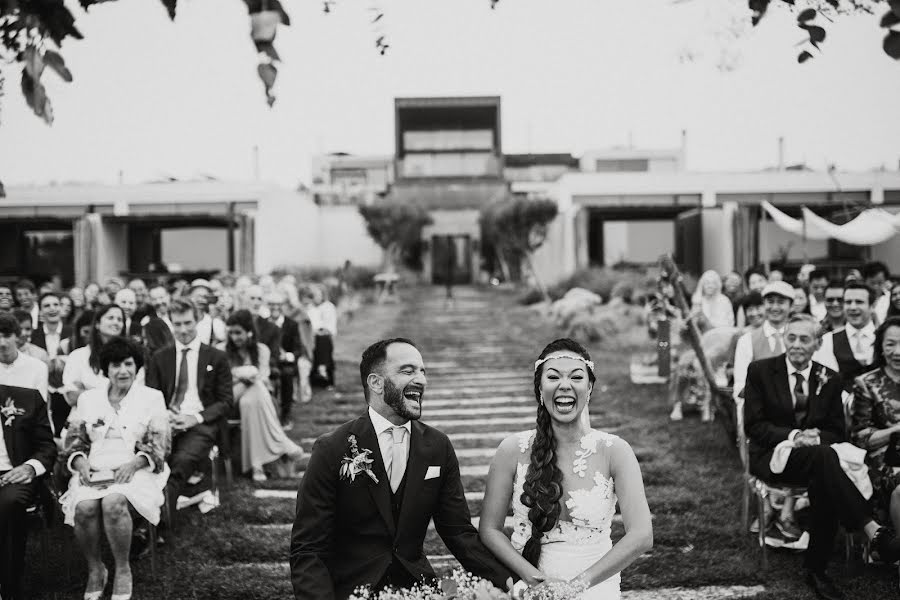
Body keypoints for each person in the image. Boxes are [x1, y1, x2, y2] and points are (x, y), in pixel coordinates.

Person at [290, 338, 514, 599]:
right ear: (376, 382)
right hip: (350, 590)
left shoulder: (438, 447)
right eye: (408, 371)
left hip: (419, 589)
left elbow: (459, 533)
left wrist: (513, 583)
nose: (421, 380)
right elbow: (308, 548)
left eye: (423, 371)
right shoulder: (331, 448)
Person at [480, 339, 652, 599]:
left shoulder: (615, 451)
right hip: (526, 583)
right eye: (553, 377)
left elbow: (641, 535)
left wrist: (574, 587)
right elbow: (489, 530)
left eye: (576, 377)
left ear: (590, 387)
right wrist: (534, 580)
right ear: (540, 387)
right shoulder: (511, 450)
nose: (564, 385)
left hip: (594, 586)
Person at [744, 313, 897, 600]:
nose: (797, 345)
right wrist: (794, 437)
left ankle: (816, 570)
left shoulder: (830, 378)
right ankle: (870, 531)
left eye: (805, 339)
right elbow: (753, 425)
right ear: (784, 339)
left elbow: (836, 432)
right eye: (791, 337)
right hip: (772, 458)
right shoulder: (760, 372)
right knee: (825, 462)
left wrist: (816, 438)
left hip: (815, 461)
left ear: (817, 344)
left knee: (823, 470)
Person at [60, 337, 171, 600]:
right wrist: (80, 462)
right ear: (105, 369)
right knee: (85, 508)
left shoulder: (152, 397)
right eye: (115, 365)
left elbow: (160, 444)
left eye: (129, 364)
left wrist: (134, 464)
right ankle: (96, 569)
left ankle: (122, 569)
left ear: (138, 366)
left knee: (113, 502)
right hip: (95, 468)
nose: (123, 371)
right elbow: (74, 439)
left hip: (139, 466)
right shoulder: (89, 399)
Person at [144, 299, 233, 502]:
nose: (183, 330)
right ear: (171, 324)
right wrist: (166, 415)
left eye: (187, 323)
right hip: (166, 420)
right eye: (177, 324)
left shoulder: (216, 357)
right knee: (147, 457)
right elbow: (150, 396)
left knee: (181, 460)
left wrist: (196, 418)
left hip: (201, 423)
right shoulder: (159, 357)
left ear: (197, 322)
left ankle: (162, 509)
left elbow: (226, 401)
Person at [222, 310, 303, 482]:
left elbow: (264, 380)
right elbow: (224, 385)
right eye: (230, 333)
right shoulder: (222, 351)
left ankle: (257, 465)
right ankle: (282, 442)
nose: (234, 337)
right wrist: (241, 376)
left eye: (238, 332)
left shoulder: (261, 350)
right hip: (231, 399)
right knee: (254, 386)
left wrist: (243, 376)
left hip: (257, 398)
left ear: (249, 331)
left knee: (251, 399)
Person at [0, 382, 56, 600]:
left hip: (14, 474)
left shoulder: (26, 398)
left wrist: (30, 467)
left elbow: (47, 447)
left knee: (7, 504)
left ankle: (7, 588)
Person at [851, 316, 900, 555]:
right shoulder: (866, 383)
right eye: (890, 344)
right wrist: (895, 431)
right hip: (886, 459)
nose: (898, 351)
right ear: (880, 346)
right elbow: (861, 437)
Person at [733, 281, 794, 400]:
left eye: (781, 302)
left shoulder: (800, 339)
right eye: (770, 302)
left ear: (791, 306)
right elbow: (740, 388)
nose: (775, 307)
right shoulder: (747, 341)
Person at [813, 281, 877, 393]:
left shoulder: (883, 338)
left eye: (859, 302)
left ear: (872, 306)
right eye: (848, 302)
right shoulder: (828, 340)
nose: (852, 307)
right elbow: (827, 381)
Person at [63, 304, 127, 407]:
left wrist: (87, 391)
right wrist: (113, 395)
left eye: (120, 319)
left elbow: (133, 396)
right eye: (110, 318)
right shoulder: (78, 356)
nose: (116, 322)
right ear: (97, 324)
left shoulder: (130, 357)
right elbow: (71, 396)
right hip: (85, 418)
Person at [267, 292, 305, 428]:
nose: (275, 308)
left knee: (287, 374)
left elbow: (298, 349)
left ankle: (285, 414)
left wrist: (287, 355)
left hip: (285, 363)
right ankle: (269, 416)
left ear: (283, 306)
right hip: (268, 363)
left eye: (278, 305)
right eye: (271, 305)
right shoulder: (264, 324)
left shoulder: (291, 324)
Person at [0, 313, 49, 402]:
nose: (2, 343)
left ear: (17, 336)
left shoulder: (38, 367)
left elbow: (40, 408)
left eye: (7, 336)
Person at [308, 285, 337, 388]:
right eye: (313, 295)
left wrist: (319, 331)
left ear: (322, 295)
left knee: (322, 340)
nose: (315, 297)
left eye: (317, 295)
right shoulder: (309, 307)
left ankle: (323, 369)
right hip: (310, 334)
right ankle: (320, 370)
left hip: (324, 334)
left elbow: (330, 326)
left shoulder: (328, 307)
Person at [32, 291, 72, 358]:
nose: (52, 308)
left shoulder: (72, 333)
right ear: (40, 311)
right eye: (47, 306)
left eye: (56, 305)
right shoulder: (33, 335)